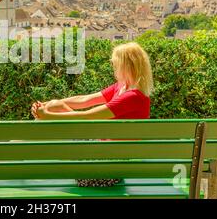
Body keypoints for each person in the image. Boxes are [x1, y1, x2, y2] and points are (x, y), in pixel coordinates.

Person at [30, 42, 154, 188]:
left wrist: (48, 115)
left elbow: (88, 116)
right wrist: (47, 105)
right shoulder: (122, 87)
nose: (113, 67)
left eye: (115, 64)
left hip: (103, 172)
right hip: (98, 155)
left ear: (127, 66)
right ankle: (22, 147)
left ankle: (21, 150)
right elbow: (85, 100)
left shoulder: (133, 97)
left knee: (54, 110)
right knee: (54, 106)